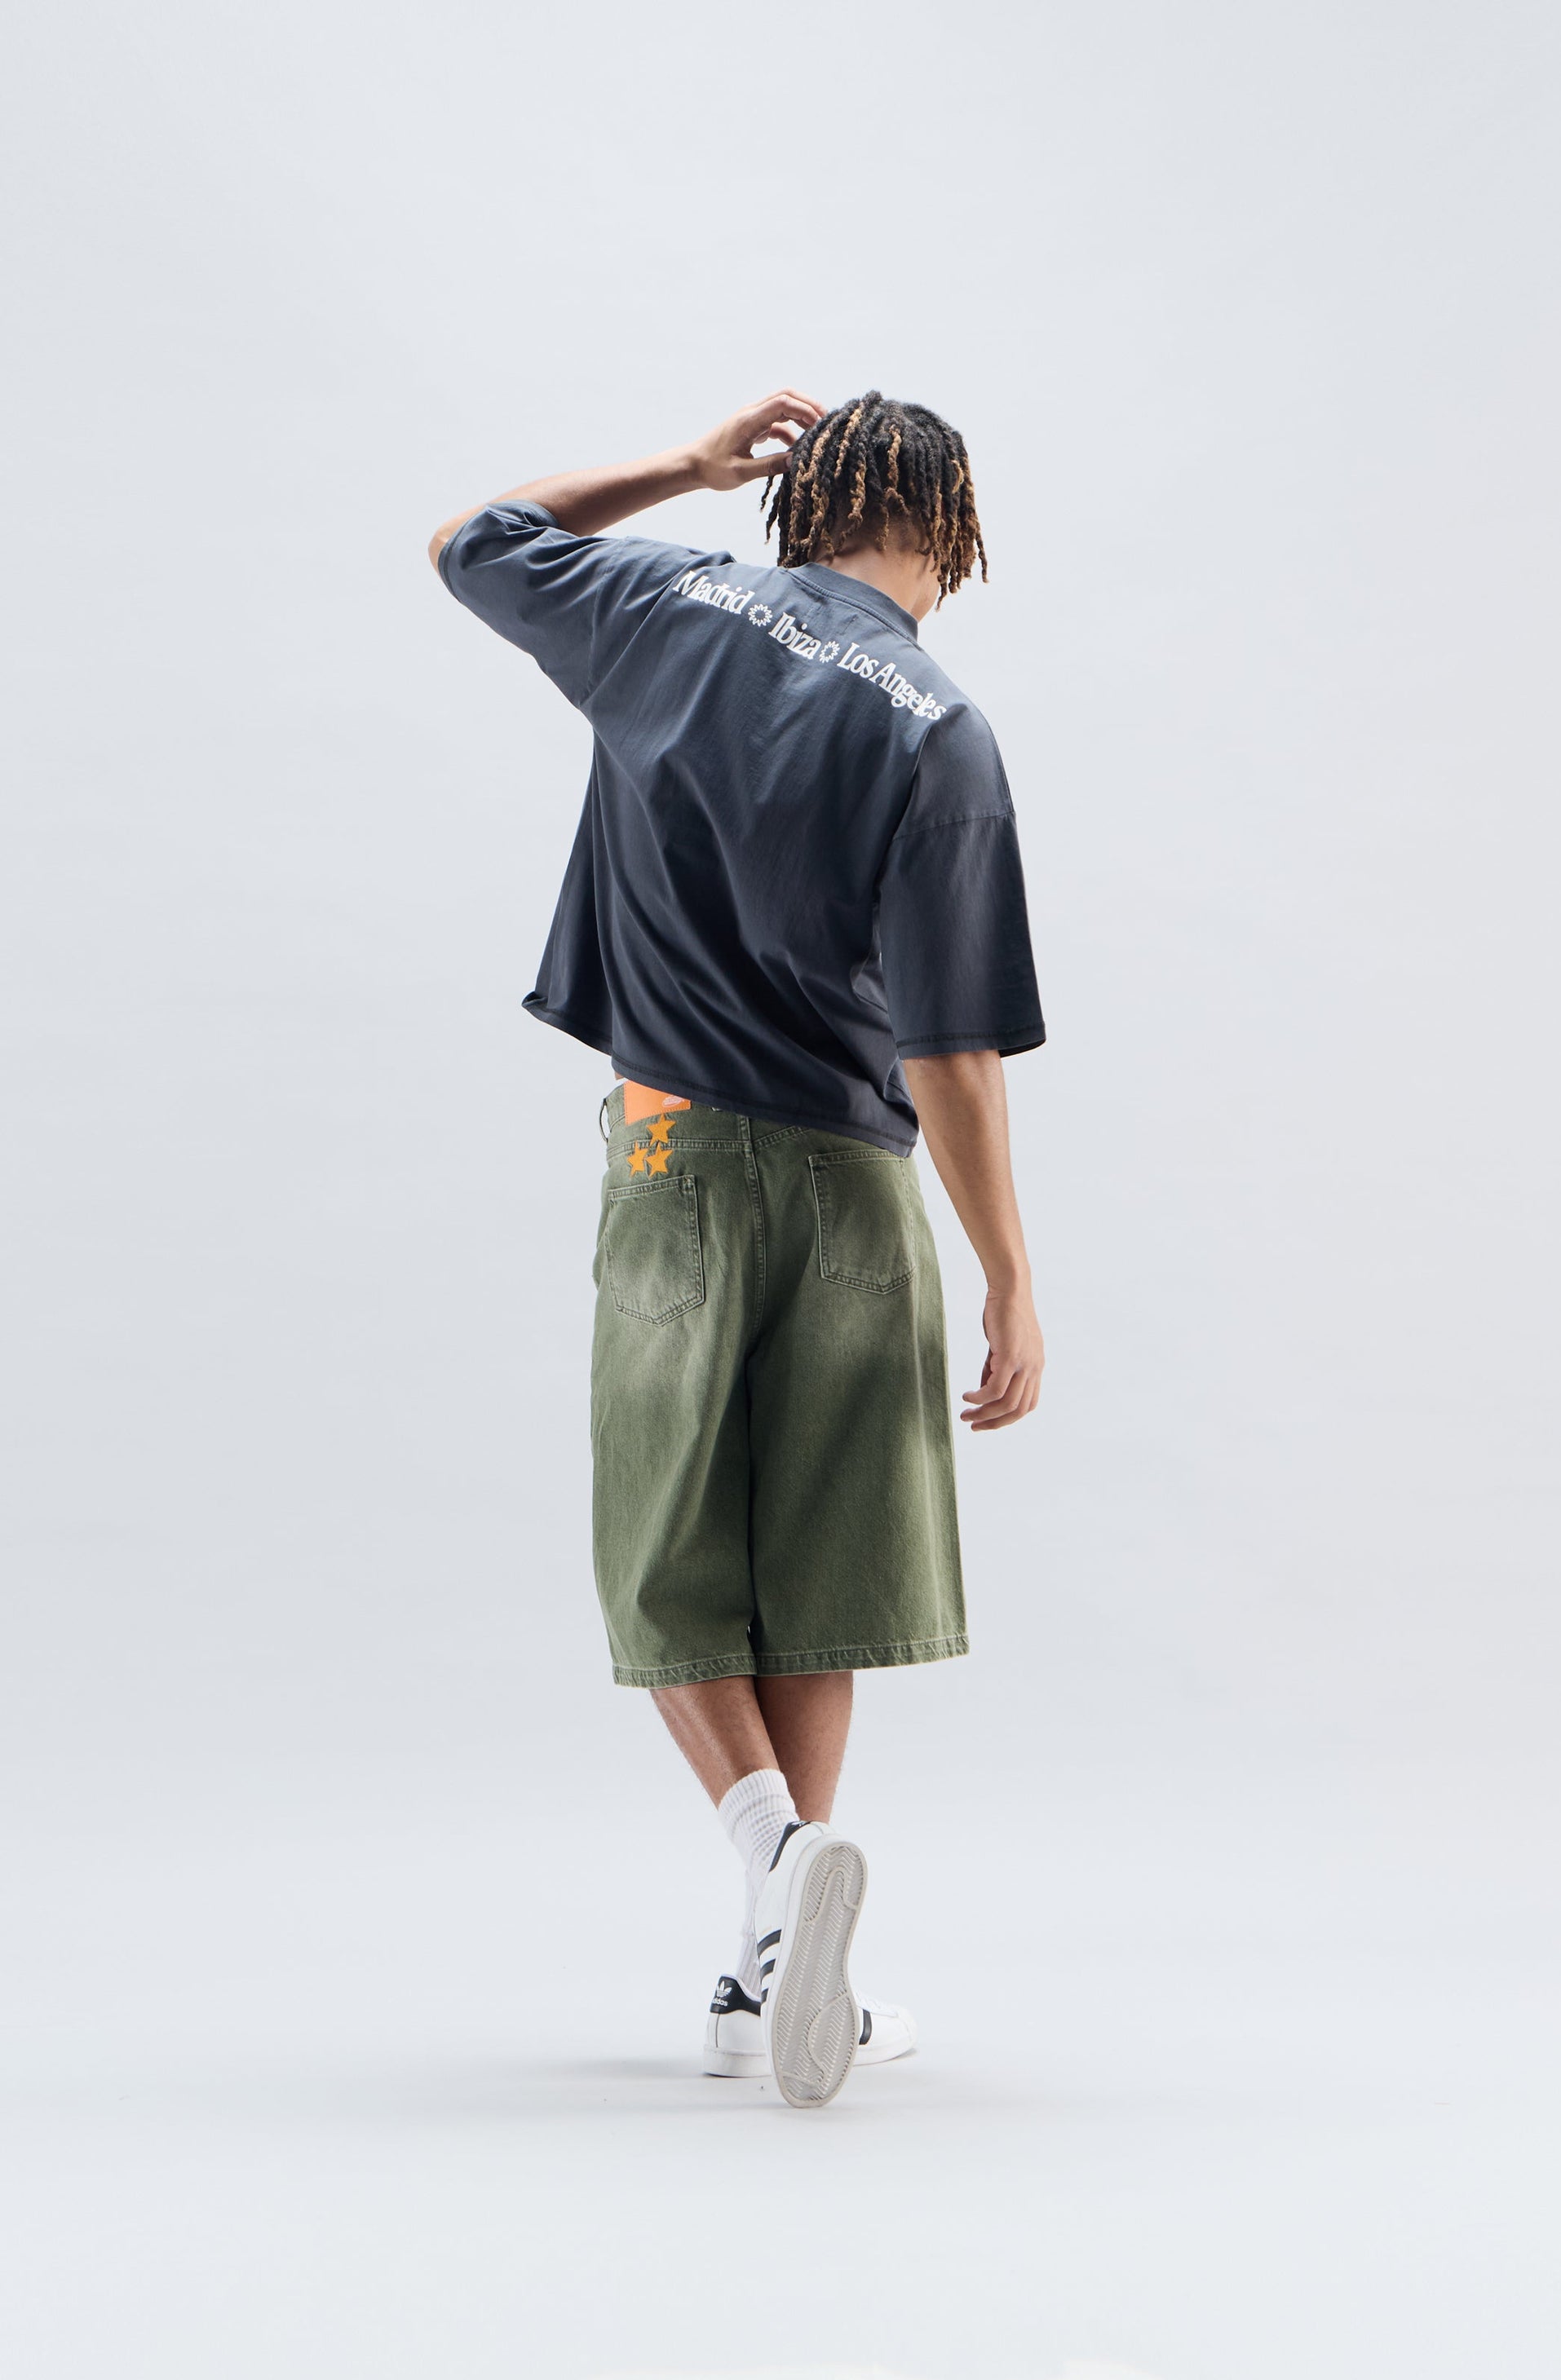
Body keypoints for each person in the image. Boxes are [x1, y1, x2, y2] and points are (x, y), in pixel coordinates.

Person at [428, 389, 1045, 2108]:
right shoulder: (941, 727)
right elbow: (951, 1051)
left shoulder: (659, 599)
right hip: (852, 1179)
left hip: (671, 1149)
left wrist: (682, 468)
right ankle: (779, 1911)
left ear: (799, 502)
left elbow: (472, 540)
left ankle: (771, 1909)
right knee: (817, 1562)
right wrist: (1007, 1271)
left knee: (670, 1541)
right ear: (952, 532)